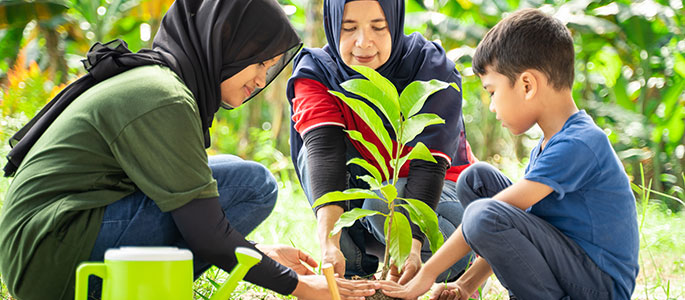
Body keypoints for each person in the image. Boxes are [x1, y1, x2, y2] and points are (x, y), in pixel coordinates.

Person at [0, 1, 380, 300]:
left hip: (47, 245)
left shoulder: (160, 82)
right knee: (252, 183)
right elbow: (205, 232)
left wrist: (257, 251)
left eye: (271, 67)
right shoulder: (163, 96)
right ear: (225, 41)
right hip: (51, 256)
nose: (262, 79)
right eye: (259, 62)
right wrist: (300, 286)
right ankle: (115, 289)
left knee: (232, 171)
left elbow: (189, 211)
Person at [380, 8, 640, 300]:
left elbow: (488, 217)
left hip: (598, 287)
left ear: (527, 85)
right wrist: (464, 285)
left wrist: (425, 276)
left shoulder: (580, 143)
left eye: (492, 91)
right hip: (574, 267)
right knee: (476, 179)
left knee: (482, 212)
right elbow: (511, 225)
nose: (492, 106)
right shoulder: (550, 143)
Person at [286, 0, 476, 284]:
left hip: (443, 197)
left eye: (379, 27)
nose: (363, 42)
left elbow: (429, 167)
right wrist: (329, 245)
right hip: (371, 200)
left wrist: (411, 246)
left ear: (396, 22)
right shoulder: (318, 71)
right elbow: (324, 153)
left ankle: (453, 263)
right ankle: (353, 273)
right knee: (311, 155)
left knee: (385, 202)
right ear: (333, 24)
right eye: (348, 28)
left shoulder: (432, 68)